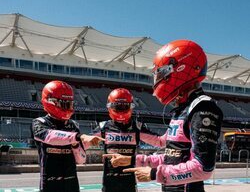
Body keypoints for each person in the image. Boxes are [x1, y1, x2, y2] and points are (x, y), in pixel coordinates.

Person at [106, 40, 223, 192]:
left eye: (162, 73)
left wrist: (155, 174)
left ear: (181, 68)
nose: (159, 79)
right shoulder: (182, 109)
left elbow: (203, 168)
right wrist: (134, 160)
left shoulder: (202, 108)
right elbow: (172, 157)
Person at [31, 80, 104, 192]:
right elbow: (49, 136)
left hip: (72, 183)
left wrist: (76, 145)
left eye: (70, 104)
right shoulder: (39, 123)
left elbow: (81, 160)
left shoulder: (73, 125)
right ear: (50, 101)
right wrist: (77, 137)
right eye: (64, 104)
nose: (68, 108)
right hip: (50, 183)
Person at [95, 88, 167, 192]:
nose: (121, 110)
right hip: (109, 182)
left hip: (128, 181)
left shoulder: (137, 127)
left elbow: (160, 142)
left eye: (124, 107)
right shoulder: (103, 127)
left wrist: (177, 127)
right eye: (118, 107)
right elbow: (82, 143)